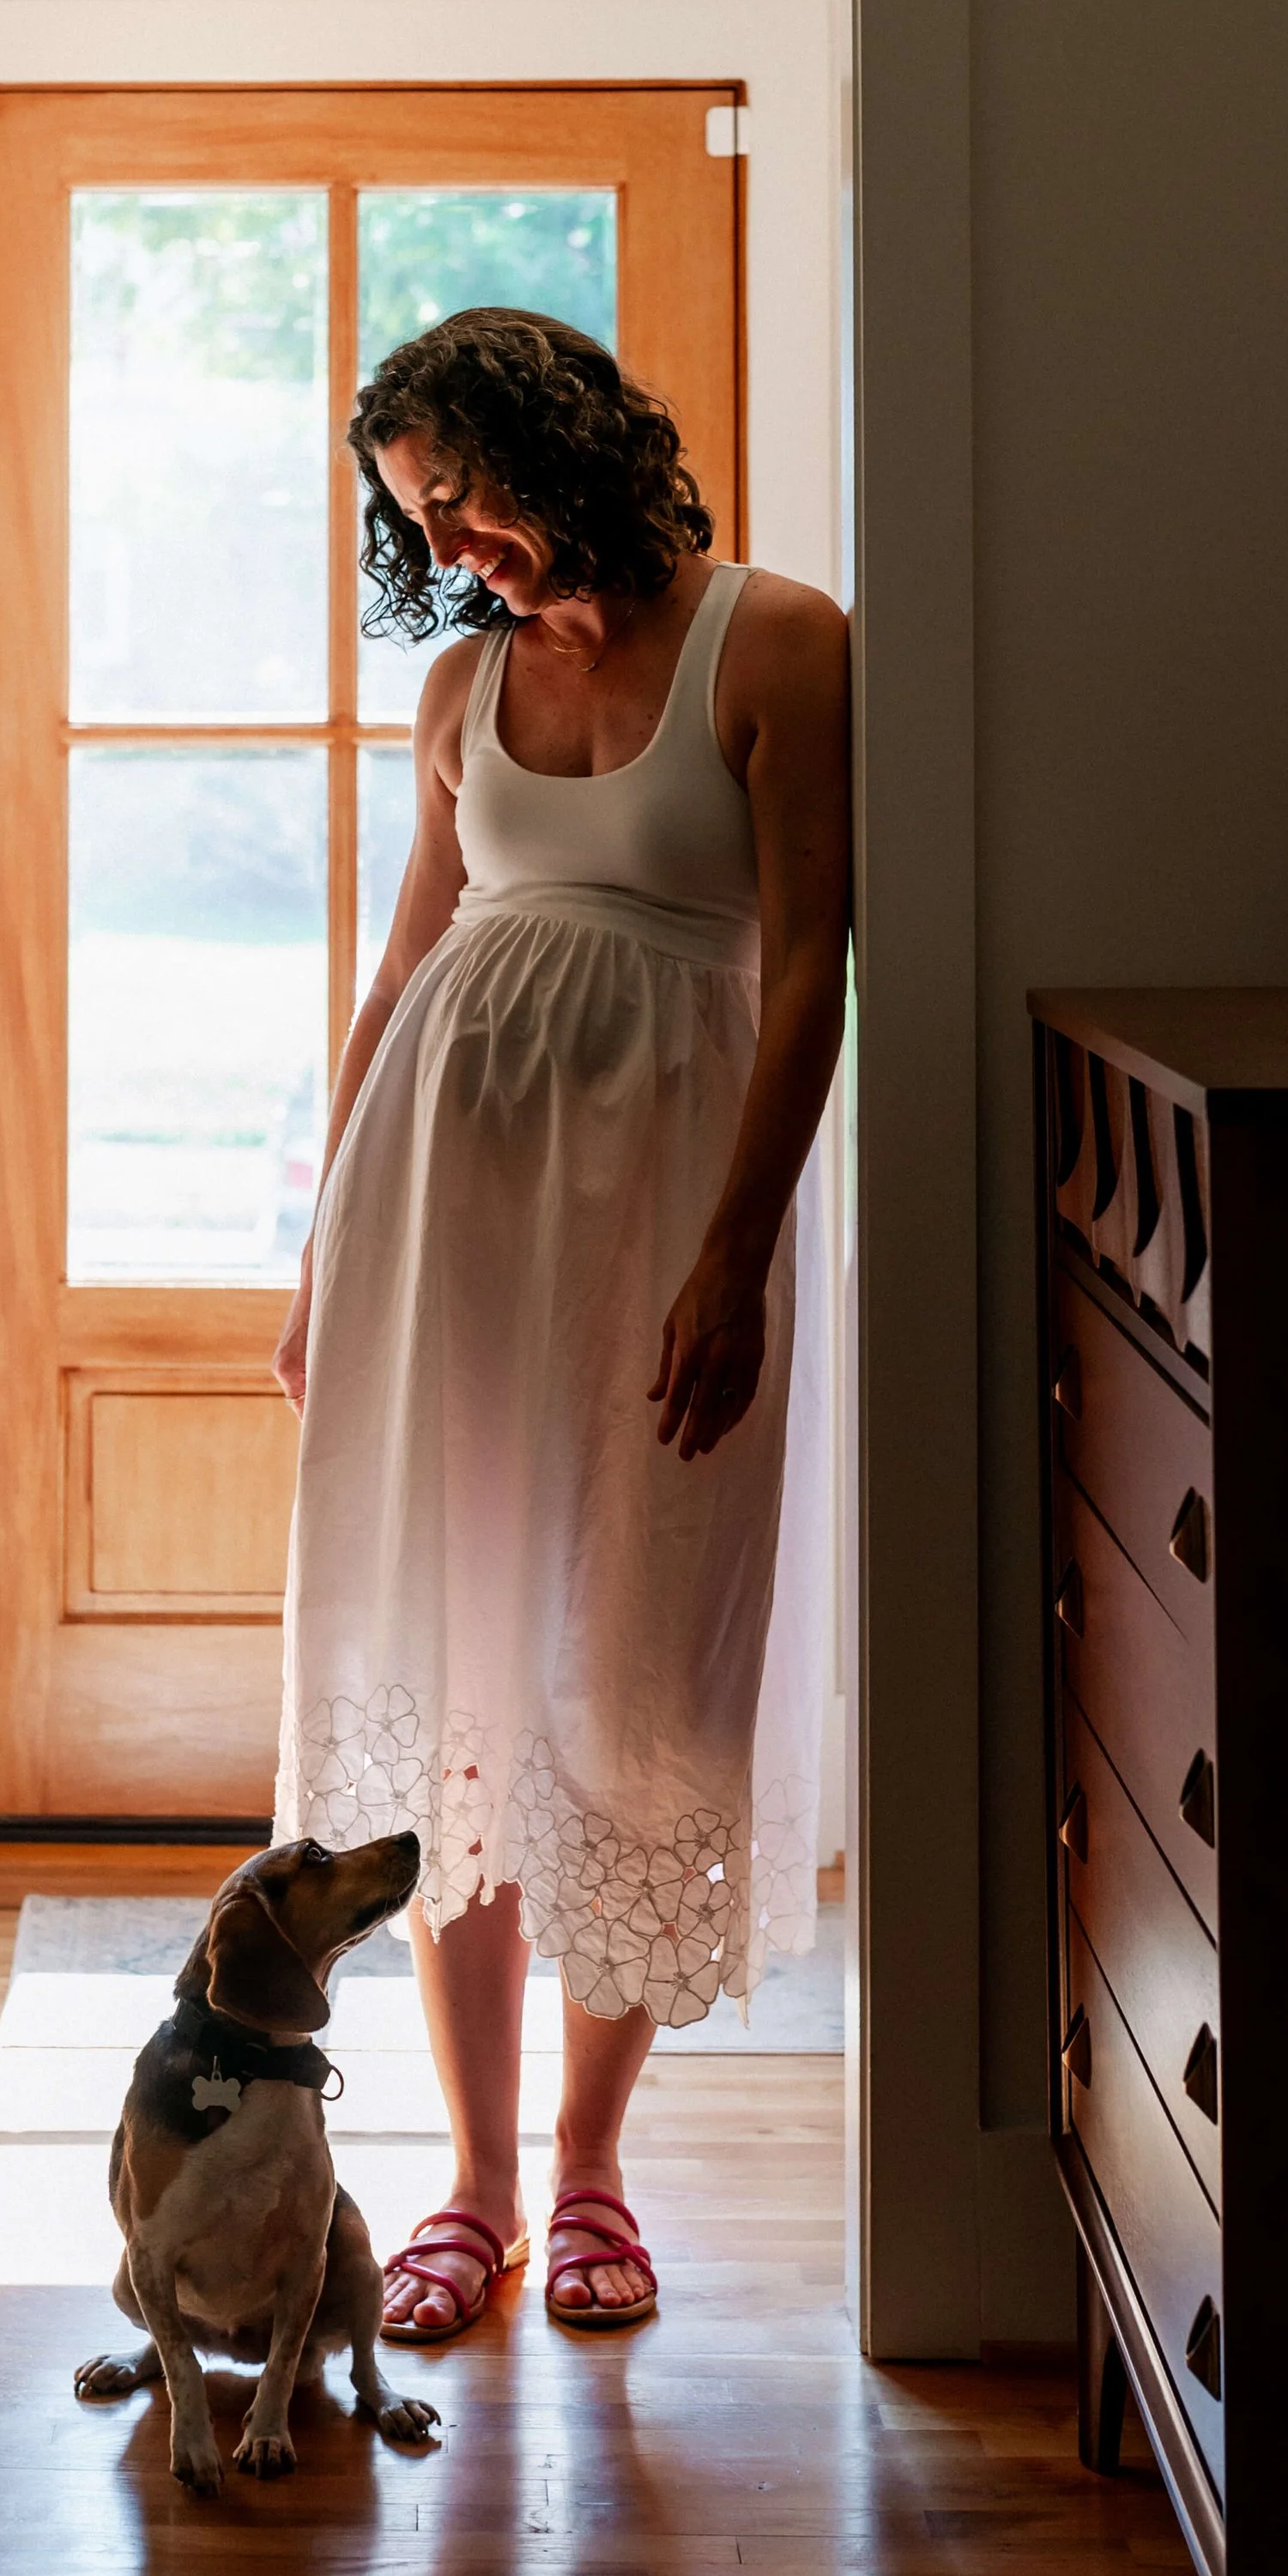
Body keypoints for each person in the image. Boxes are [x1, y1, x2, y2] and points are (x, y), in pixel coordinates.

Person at [272, 308, 850, 2339]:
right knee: (459, 1696)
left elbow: (804, 977)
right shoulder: (457, 691)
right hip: (449, 1229)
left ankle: (596, 2173)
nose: (458, 544)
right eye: (421, 519)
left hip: (670, 1222)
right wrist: (326, 1250)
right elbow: (401, 971)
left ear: (559, 438)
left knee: (637, 1681)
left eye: (471, 493)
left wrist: (740, 1255)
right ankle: (472, 2187)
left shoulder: (775, 643)